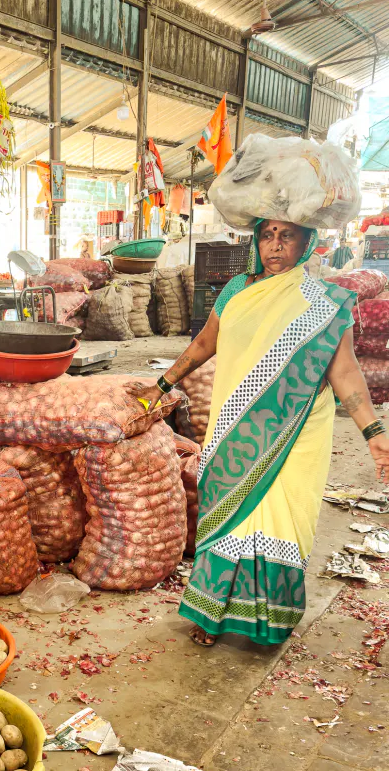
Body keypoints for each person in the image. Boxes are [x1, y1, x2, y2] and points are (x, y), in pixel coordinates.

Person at [139, 219, 389, 648]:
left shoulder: (326, 302)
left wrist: (375, 433)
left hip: (294, 428)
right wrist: (160, 386)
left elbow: (344, 370)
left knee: (281, 521)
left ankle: (269, 619)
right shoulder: (238, 288)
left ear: (308, 242)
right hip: (235, 426)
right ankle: (211, 614)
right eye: (267, 235)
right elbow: (204, 344)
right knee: (227, 519)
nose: (275, 245)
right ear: (256, 241)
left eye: (287, 235)